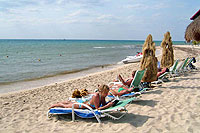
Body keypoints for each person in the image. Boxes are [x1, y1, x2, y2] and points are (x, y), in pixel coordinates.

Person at [49, 84, 115, 110]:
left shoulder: (102, 96)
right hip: (81, 105)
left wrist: (110, 103)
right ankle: (55, 105)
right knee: (66, 106)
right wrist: (108, 105)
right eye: (105, 92)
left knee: (69, 103)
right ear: (101, 92)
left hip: (84, 102)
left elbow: (103, 104)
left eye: (107, 92)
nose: (107, 94)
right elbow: (98, 109)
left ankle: (60, 102)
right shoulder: (96, 96)